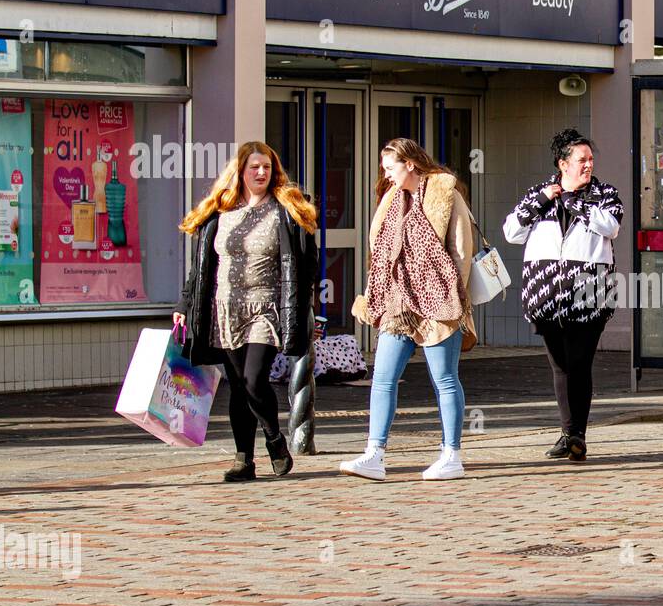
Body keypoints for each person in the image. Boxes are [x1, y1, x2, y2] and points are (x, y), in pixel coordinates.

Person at [175, 141, 318, 482]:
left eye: (267, 167)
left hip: (265, 307)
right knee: (238, 386)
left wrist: (301, 306)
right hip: (224, 309)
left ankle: (274, 439)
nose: (261, 173)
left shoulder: (285, 210)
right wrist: (184, 305)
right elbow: (201, 268)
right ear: (240, 171)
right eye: (254, 167)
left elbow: (306, 264)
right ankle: (244, 460)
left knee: (254, 378)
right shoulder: (221, 212)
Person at [339, 139, 476, 482]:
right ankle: (374, 454)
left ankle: (451, 454)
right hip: (397, 300)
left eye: (391, 168)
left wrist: (449, 294)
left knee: (444, 378)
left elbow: (461, 251)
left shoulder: (446, 194)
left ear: (410, 164)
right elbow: (379, 250)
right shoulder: (391, 200)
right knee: (383, 378)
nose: (385, 175)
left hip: (439, 299)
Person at [505, 128, 623, 461]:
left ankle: (578, 436)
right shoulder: (540, 194)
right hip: (545, 293)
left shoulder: (604, 193)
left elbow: (611, 227)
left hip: (589, 291)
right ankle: (568, 432)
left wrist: (576, 203)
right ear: (562, 163)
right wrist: (543, 200)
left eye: (590, 159)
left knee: (580, 363)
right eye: (581, 159)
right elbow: (512, 232)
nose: (588, 164)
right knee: (560, 366)